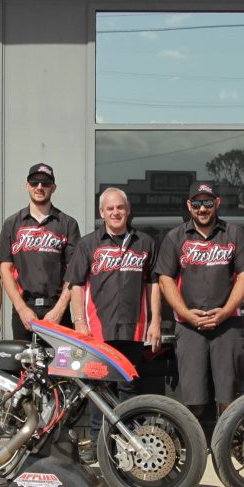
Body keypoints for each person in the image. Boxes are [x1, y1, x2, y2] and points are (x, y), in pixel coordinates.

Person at [66, 187, 162, 461]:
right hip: (97, 329)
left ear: (128, 210)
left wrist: (156, 321)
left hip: (133, 328)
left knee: (129, 386)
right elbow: (75, 284)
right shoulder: (88, 244)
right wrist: (80, 323)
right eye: (110, 209)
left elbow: (153, 284)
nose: (116, 212)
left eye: (120, 207)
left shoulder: (145, 242)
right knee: (98, 388)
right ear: (101, 213)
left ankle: (126, 440)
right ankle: (99, 444)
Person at [155, 181, 244, 419]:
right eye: (197, 203)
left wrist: (226, 311)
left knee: (228, 397)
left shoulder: (234, 234)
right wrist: (186, 314)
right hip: (189, 326)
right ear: (190, 206)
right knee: (193, 399)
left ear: (216, 203)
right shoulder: (175, 238)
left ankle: (225, 447)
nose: (202, 208)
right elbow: (165, 280)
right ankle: (196, 447)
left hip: (228, 324)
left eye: (207, 202)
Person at [0, 163, 81, 338]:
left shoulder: (68, 223)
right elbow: (5, 269)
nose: (39, 187)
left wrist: (59, 310)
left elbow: (74, 271)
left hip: (57, 310)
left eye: (45, 183)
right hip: (24, 309)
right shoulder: (12, 224)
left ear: (54, 188)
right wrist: (21, 308)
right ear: (27, 186)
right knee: (23, 364)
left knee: (59, 365)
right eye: (34, 183)